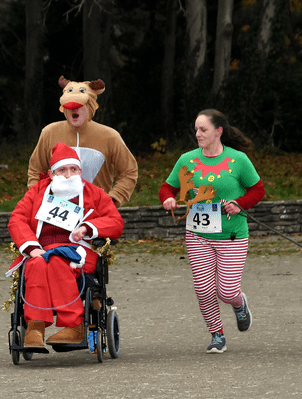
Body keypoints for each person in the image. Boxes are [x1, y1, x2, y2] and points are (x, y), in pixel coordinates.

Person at [159, 109, 265, 353]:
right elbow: (168, 187)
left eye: (203, 129)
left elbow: (257, 190)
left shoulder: (238, 160)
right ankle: (217, 334)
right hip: (198, 235)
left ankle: (239, 304)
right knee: (204, 289)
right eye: (196, 129)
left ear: (218, 131)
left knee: (226, 290)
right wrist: (167, 199)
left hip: (232, 235)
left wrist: (240, 204)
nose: (197, 134)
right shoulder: (187, 160)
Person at [8, 142, 124, 348]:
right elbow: (17, 218)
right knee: (35, 264)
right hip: (41, 250)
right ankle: (35, 327)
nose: (69, 175)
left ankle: (74, 325)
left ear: (80, 170)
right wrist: (31, 247)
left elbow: (115, 222)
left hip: (78, 252)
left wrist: (88, 228)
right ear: (51, 174)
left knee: (57, 261)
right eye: (62, 170)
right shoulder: (37, 191)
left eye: (74, 169)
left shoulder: (93, 193)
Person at [27, 76, 138, 208]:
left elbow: (129, 171)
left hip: (97, 212)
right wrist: (39, 198)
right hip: (56, 213)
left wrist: (113, 199)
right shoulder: (49, 132)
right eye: (69, 105)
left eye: (80, 105)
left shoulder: (110, 136)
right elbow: (35, 170)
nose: (74, 110)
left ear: (90, 106)